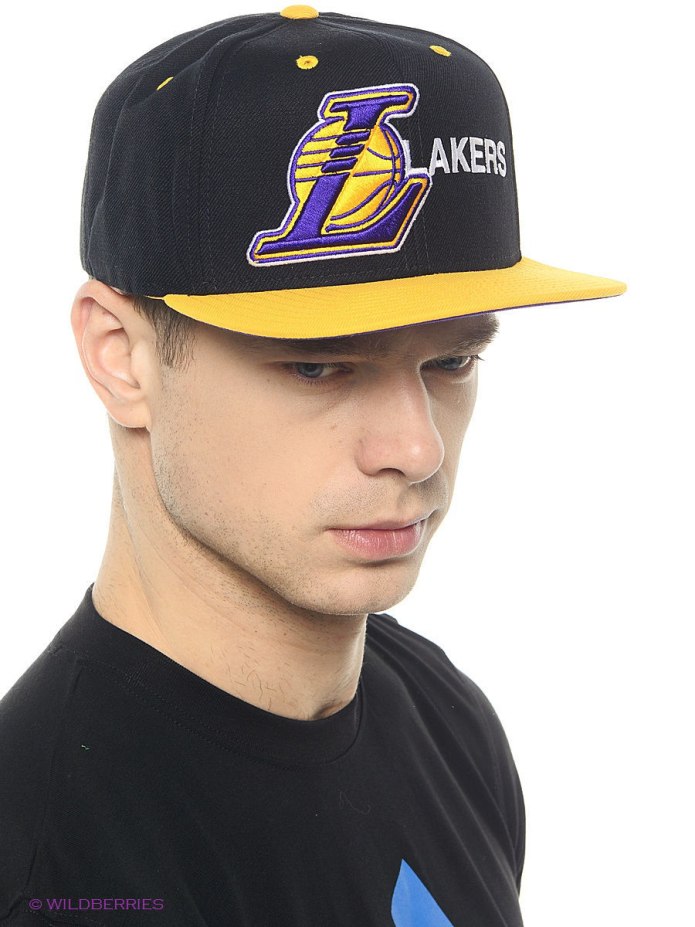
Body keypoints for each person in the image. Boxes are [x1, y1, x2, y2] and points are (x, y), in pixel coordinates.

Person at [0, 6, 626, 925]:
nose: (416, 448)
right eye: (318, 365)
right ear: (120, 358)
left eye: (451, 359)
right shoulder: (54, 867)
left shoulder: (442, 715)